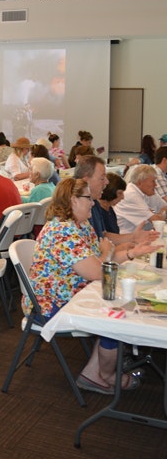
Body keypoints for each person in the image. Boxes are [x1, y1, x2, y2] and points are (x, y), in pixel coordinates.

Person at [26, 178, 155, 394]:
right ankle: (103, 374)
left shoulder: (80, 225)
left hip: (72, 294)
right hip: (52, 305)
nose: (93, 203)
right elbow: (97, 270)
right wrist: (107, 253)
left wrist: (133, 252)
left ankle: (95, 371)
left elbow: (103, 258)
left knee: (117, 302)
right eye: (88, 198)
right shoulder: (63, 232)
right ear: (73, 200)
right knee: (116, 316)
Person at [74, 155, 158, 248]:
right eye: (102, 178)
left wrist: (133, 237)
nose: (106, 182)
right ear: (86, 180)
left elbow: (103, 236)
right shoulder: (73, 210)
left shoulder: (95, 203)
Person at [114, 164, 167, 233]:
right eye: (153, 181)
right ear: (140, 182)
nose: (156, 185)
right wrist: (159, 215)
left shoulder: (148, 191)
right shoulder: (131, 194)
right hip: (127, 238)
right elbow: (157, 221)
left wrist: (158, 214)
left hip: (139, 235)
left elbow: (165, 207)